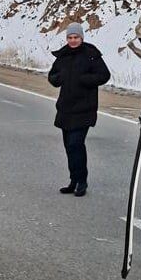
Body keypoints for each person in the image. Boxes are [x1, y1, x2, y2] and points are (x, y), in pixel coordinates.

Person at [47, 22, 110, 196]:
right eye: (70, 37)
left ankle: (82, 181)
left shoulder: (91, 54)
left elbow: (104, 75)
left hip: (84, 108)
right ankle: (73, 180)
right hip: (66, 109)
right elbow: (52, 76)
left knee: (76, 144)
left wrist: (86, 80)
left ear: (81, 38)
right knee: (69, 146)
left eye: (76, 37)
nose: (73, 40)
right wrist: (59, 78)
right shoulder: (63, 55)